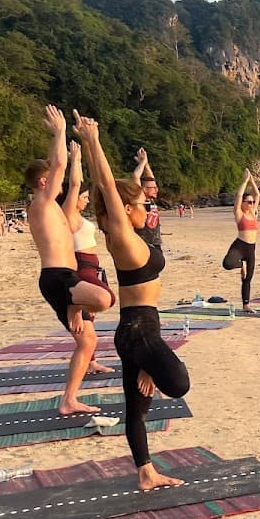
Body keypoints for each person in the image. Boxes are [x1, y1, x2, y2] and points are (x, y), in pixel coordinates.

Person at [77, 109, 190, 490]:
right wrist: (93, 142)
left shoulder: (121, 233)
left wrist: (101, 155)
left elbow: (109, 192)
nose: (147, 209)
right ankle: (149, 368)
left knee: (137, 409)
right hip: (140, 333)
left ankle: (146, 472)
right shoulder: (125, 239)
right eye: (142, 205)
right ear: (126, 212)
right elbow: (108, 187)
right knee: (177, 383)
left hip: (137, 332)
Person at [23, 105, 113, 415]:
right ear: (43, 183)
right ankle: (75, 304)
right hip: (58, 278)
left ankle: (68, 400)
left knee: (87, 342)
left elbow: (72, 181)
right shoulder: (42, 203)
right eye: (53, 180)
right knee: (103, 298)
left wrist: (76, 158)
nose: (59, 185)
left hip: (65, 278)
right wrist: (60, 132)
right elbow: (58, 165)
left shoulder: (54, 210)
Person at [58, 141, 116, 390]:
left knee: (89, 320)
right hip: (81, 267)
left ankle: (91, 362)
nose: (86, 200)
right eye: (83, 197)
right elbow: (74, 184)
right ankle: (73, 306)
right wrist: (76, 159)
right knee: (106, 299)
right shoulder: (68, 215)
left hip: (91, 267)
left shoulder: (78, 217)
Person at [223, 170, 260, 313]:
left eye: (252, 202)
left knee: (248, 278)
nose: (251, 204)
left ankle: (246, 304)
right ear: (243, 203)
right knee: (227, 264)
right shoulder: (239, 213)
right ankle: (240, 265)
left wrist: (252, 181)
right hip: (240, 245)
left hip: (251, 248)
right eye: (248, 202)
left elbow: (257, 195)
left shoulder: (253, 212)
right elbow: (239, 196)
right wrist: (245, 181)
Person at [132, 148, 162, 249]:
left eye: (156, 187)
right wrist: (143, 163)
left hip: (156, 243)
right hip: (142, 243)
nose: (156, 189)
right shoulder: (140, 200)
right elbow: (136, 176)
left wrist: (145, 163)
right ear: (143, 189)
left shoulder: (152, 200)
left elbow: (151, 177)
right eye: (153, 188)